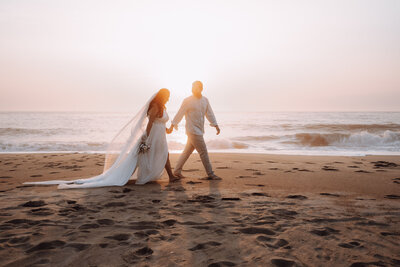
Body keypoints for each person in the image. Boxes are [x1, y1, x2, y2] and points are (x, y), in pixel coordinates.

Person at [24, 89, 179, 189]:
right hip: (152, 137)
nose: (169, 98)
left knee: (161, 154)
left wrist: (169, 129)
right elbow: (151, 123)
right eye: (168, 96)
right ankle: (133, 176)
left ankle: (166, 176)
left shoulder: (163, 108)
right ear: (162, 96)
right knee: (139, 156)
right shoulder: (156, 107)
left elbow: (161, 124)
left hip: (161, 136)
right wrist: (145, 138)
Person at [168, 81, 221, 180]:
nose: (194, 89)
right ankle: (210, 174)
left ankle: (177, 171)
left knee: (186, 152)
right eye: (193, 87)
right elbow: (180, 113)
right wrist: (173, 125)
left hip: (200, 130)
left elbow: (209, 113)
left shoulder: (205, 100)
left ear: (201, 88)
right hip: (192, 130)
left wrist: (215, 125)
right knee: (203, 152)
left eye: (197, 87)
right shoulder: (187, 100)